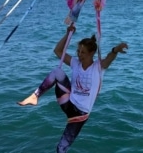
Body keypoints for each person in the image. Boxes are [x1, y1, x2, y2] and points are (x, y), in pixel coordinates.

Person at [17, 24, 128, 153]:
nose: (80, 55)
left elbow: (109, 58)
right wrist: (67, 34)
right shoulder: (75, 63)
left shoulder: (98, 67)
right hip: (68, 102)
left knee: (61, 148)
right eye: (78, 52)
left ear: (92, 53)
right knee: (57, 72)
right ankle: (35, 96)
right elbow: (58, 51)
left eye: (83, 53)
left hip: (80, 114)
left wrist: (115, 50)